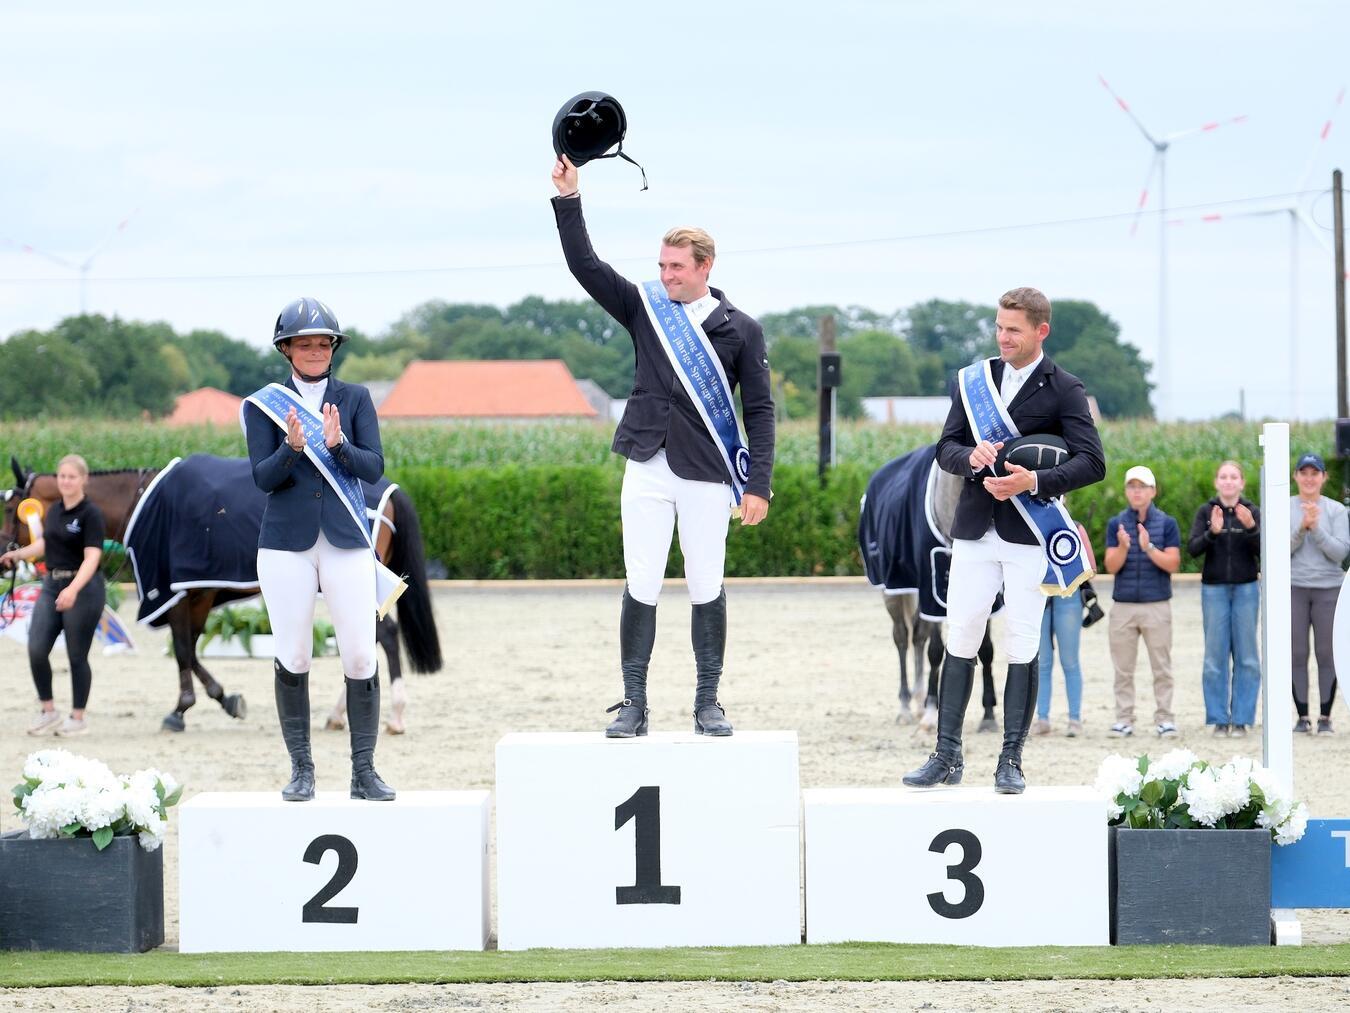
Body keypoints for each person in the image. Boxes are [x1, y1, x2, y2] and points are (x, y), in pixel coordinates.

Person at [550, 154, 776, 738]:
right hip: (647, 462)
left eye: (677, 267)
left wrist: (758, 483)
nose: (666, 275)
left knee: (707, 582)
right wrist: (569, 200)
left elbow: (759, 411)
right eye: (662, 265)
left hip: (706, 471)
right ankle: (633, 702)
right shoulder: (645, 308)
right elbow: (585, 266)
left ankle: (707, 701)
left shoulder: (742, 329)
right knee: (641, 580)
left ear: (705, 267)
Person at [904, 287, 1105, 793]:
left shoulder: (1065, 388)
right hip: (974, 528)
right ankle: (946, 755)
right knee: (962, 633)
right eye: (998, 326)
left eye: (1013, 329)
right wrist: (968, 458)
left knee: (1021, 641)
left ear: (1041, 330)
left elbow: (1092, 462)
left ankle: (1010, 760)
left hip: (1028, 534)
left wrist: (1032, 482)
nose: (1003, 337)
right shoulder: (975, 381)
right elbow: (945, 446)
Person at [243, 297, 394, 801]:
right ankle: (302, 770)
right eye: (305, 344)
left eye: (323, 343)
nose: (315, 351)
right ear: (286, 349)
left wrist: (337, 447)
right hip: (287, 544)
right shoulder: (264, 403)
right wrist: (290, 449)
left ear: (334, 348)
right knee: (296, 653)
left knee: (358, 654)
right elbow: (263, 478)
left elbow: (372, 467)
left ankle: (364, 771)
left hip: (346, 540)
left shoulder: (355, 398)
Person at [0, 454, 106, 736]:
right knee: (36, 648)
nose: (66, 481)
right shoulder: (56, 510)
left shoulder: (91, 514)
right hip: (51, 584)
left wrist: (73, 590)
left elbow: (92, 558)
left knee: (76, 655)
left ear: (83, 479)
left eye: (72, 477)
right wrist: (19, 554)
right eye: (62, 476)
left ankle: (78, 716)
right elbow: (46, 543)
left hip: (83, 588)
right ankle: (48, 710)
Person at [1104, 465, 1182, 738]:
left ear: (1153, 491)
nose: (1136, 492)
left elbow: (1172, 563)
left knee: (1161, 667)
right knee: (1123, 669)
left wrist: (1148, 547)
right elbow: (1111, 566)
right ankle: (1124, 719)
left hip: (1156, 605)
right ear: (1127, 491)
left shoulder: (1168, 523)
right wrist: (1125, 547)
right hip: (1123, 605)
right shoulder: (1116, 523)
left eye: (1142, 486)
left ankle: (1165, 718)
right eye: (1132, 486)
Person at [1187, 460, 1261, 737]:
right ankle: (1219, 718)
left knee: (1248, 657)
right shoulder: (1205, 511)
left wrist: (1251, 527)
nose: (1229, 481)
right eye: (1223, 477)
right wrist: (1212, 532)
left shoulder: (1252, 511)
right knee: (1215, 657)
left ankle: (1241, 719)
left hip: (1246, 589)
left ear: (1242, 483)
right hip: (1214, 590)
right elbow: (1193, 549)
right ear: (1217, 482)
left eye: (1234, 477)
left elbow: (1264, 549)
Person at [1289, 452, 1349, 734]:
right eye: (1304, 473)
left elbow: (1340, 552)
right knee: (1296, 653)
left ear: (1323, 477)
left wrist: (1316, 530)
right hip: (1294, 588)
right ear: (1296, 476)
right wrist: (1302, 528)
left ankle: (1325, 716)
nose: (1309, 478)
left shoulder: (1336, 510)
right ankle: (1302, 716)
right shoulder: (1285, 508)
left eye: (1315, 473)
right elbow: (1278, 551)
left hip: (1329, 589)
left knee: (1327, 653)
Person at [1032, 523, 1097, 738]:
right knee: (1043, 661)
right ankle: (1042, 718)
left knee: (1070, 660)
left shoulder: (1076, 527)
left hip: (1068, 597)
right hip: (1040, 596)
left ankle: (1074, 718)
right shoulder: (1033, 525)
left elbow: (1092, 569)